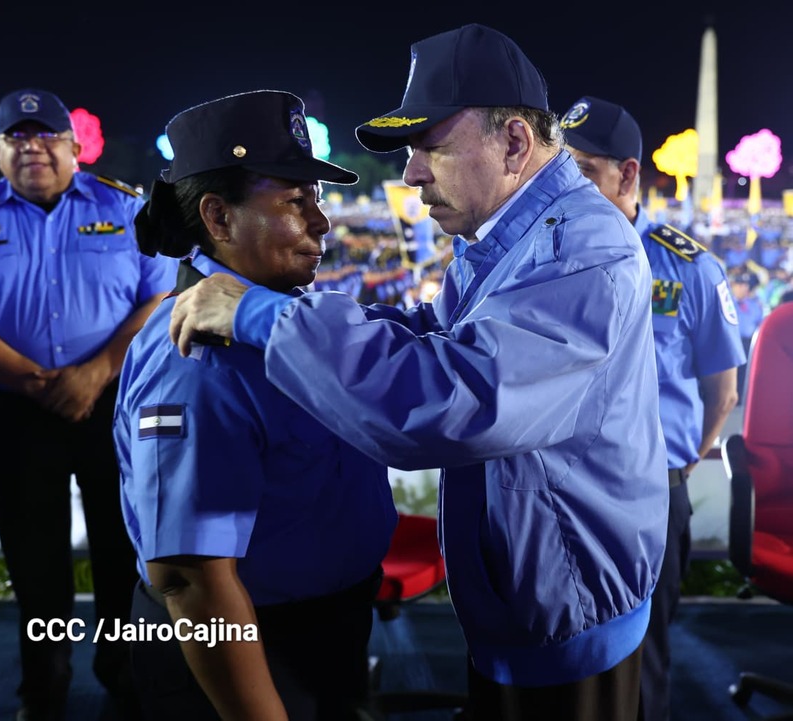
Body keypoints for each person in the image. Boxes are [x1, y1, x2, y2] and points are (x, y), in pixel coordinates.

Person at [166, 24, 669, 721]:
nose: (410, 174)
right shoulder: (508, 234)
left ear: (515, 143)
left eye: (430, 147)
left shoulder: (575, 251)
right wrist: (324, 315)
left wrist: (265, 317)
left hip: (565, 618)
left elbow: (452, 398)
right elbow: (444, 339)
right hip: (536, 599)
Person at [113, 89, 397, 721]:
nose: (321, 222)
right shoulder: (199, 357)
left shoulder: (278, 316)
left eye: (316, 199)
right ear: (218, 218)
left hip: (320, 630)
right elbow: (190, 577)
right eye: (297, 201)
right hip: (249, 653)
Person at [0, 88, 176, 721]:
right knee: (35, 560)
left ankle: (123, 670)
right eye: (17, 138)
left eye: (45, 136)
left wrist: (97, 372)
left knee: (123, 551)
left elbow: (159, 298)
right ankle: (44, 681)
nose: (32, 147)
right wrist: (34, 380)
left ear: (72, 146)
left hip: (111, 403)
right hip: (13, 411)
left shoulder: (126, 207)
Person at [560, 95, 745, 721]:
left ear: (628, 174)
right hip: (564, 487)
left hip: (652, 488)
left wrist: (679, 469)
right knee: (563, 648)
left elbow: (723, 391)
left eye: (583, 172)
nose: (567, 187)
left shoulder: (690, 268)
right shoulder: (552, 253)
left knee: (645, 655)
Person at [728, 267, 765, 403]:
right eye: (740, 285)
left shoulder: (754, 305)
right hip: (733, 343)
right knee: (733, 373)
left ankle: (744, 400)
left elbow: (759, 322)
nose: (743, 288)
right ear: (734, 286)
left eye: (745, 285)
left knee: (747, 374)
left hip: (749, 343)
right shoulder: (728, 304)